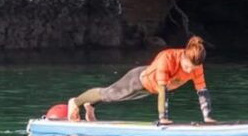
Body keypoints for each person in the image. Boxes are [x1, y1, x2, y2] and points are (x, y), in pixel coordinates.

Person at [67, 36, 215, 124]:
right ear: (183, 56)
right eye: (187, 67)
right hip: (137, 80)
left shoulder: (197, 67)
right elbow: (163, 90)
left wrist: (207, 118)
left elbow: (202, 92)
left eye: (193, 68)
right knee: (109, 95)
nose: (190, 71)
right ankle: (76, 102)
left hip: (150, 89)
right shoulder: (168, 58)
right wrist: (163, 118)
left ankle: (90, 106)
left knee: (113, 98)